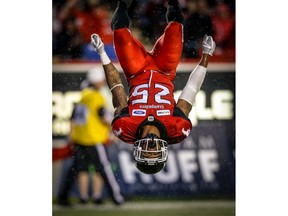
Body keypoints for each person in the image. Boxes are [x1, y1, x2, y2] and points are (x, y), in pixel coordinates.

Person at [90, 0, 216, 174]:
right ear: (163, 151)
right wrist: (206, 57)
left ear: (137, 151)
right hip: (165, 70)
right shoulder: (177, 128)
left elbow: (116, 87)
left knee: (119, 31)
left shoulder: (125, 128)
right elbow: (191, 90)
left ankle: (123, 4)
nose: (150, 148)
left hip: (136, 71)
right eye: (154, 152)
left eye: (146, 152)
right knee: (176, 25)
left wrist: (102, 54)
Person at [57, 67, 125, 206]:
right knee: (105, 169)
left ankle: (63, 197)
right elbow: (103, 117)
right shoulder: (96, 96)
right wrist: (115, 129)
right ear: (99, 81)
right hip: (93, 139)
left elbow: (74, 118)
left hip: (80, 139)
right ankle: (116, 197)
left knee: (76, 169)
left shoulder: (83, 96)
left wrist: (72, 136)